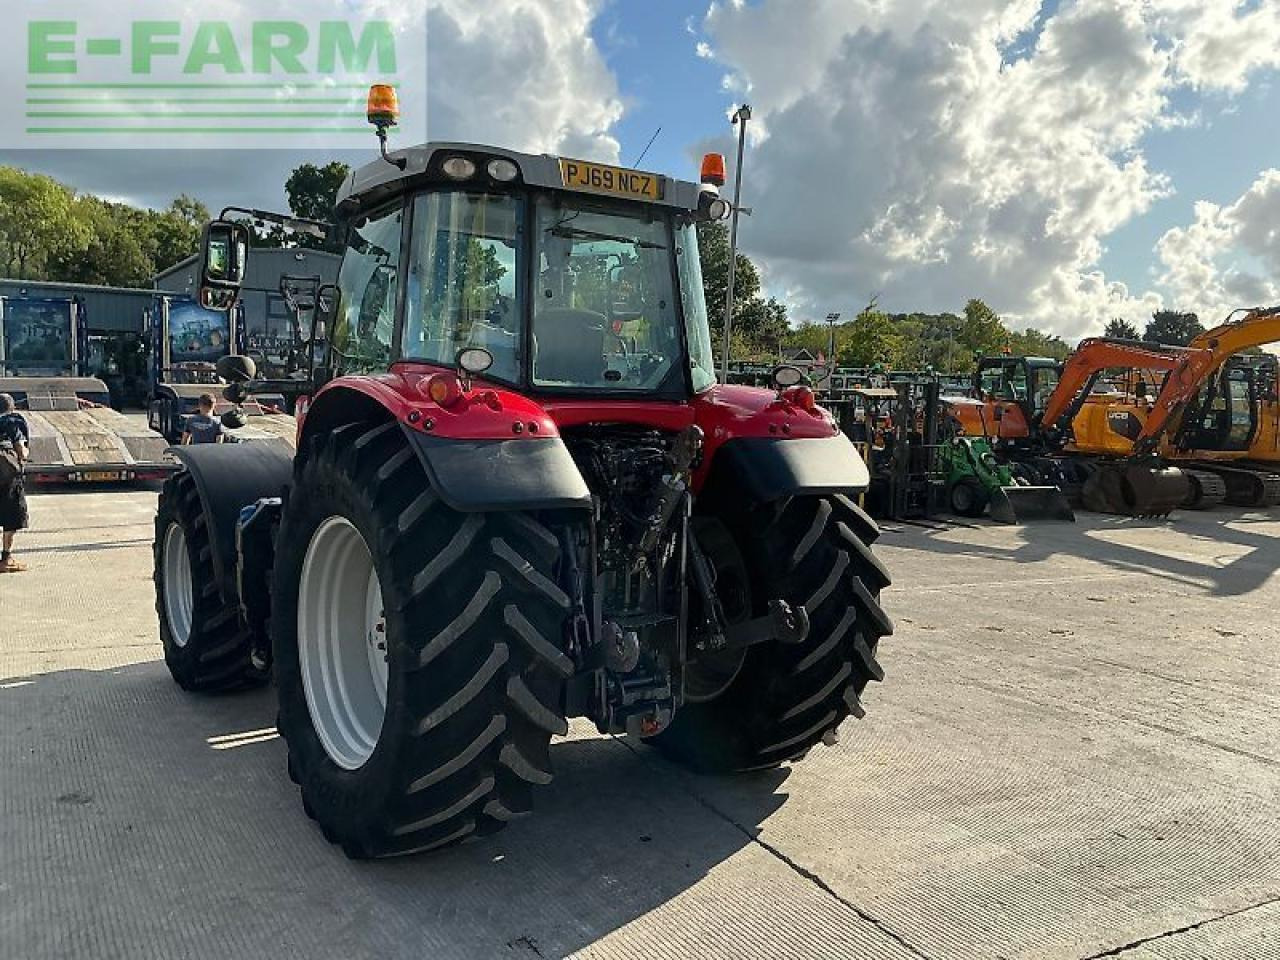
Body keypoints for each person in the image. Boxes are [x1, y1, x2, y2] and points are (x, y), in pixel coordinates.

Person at [0, 393, 30, 574]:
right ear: (11, 408)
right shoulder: (12, 423)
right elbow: (22, 452)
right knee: (11, 517)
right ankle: (6, 559)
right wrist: (24, 452)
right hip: (7, 478)